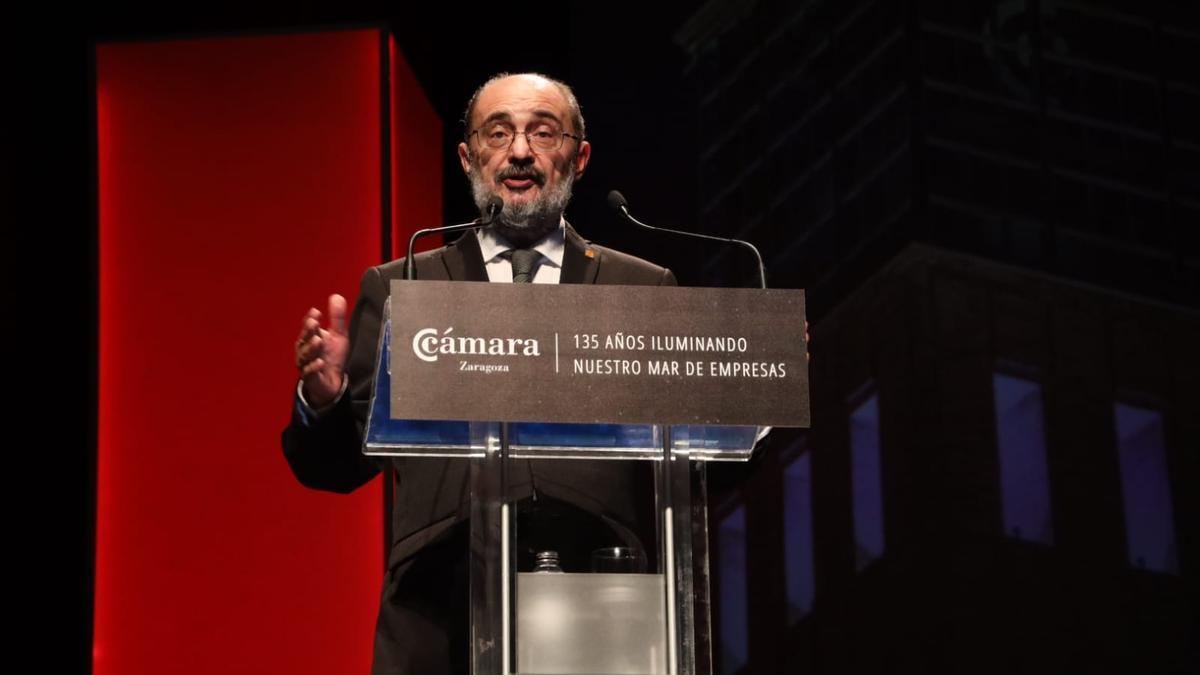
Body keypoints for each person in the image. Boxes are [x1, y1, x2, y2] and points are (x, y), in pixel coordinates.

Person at [282, 72, 676, 674]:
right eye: (499, 133)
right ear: (469, 157)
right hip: (440, 608)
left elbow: (706, 462)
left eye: (543, 132)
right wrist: (326, 398)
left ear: (579, 156)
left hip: (601, 599)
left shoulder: (641, 288)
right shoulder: (403, 287)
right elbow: (333, 467)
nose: (520, 151)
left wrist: (762, 390)